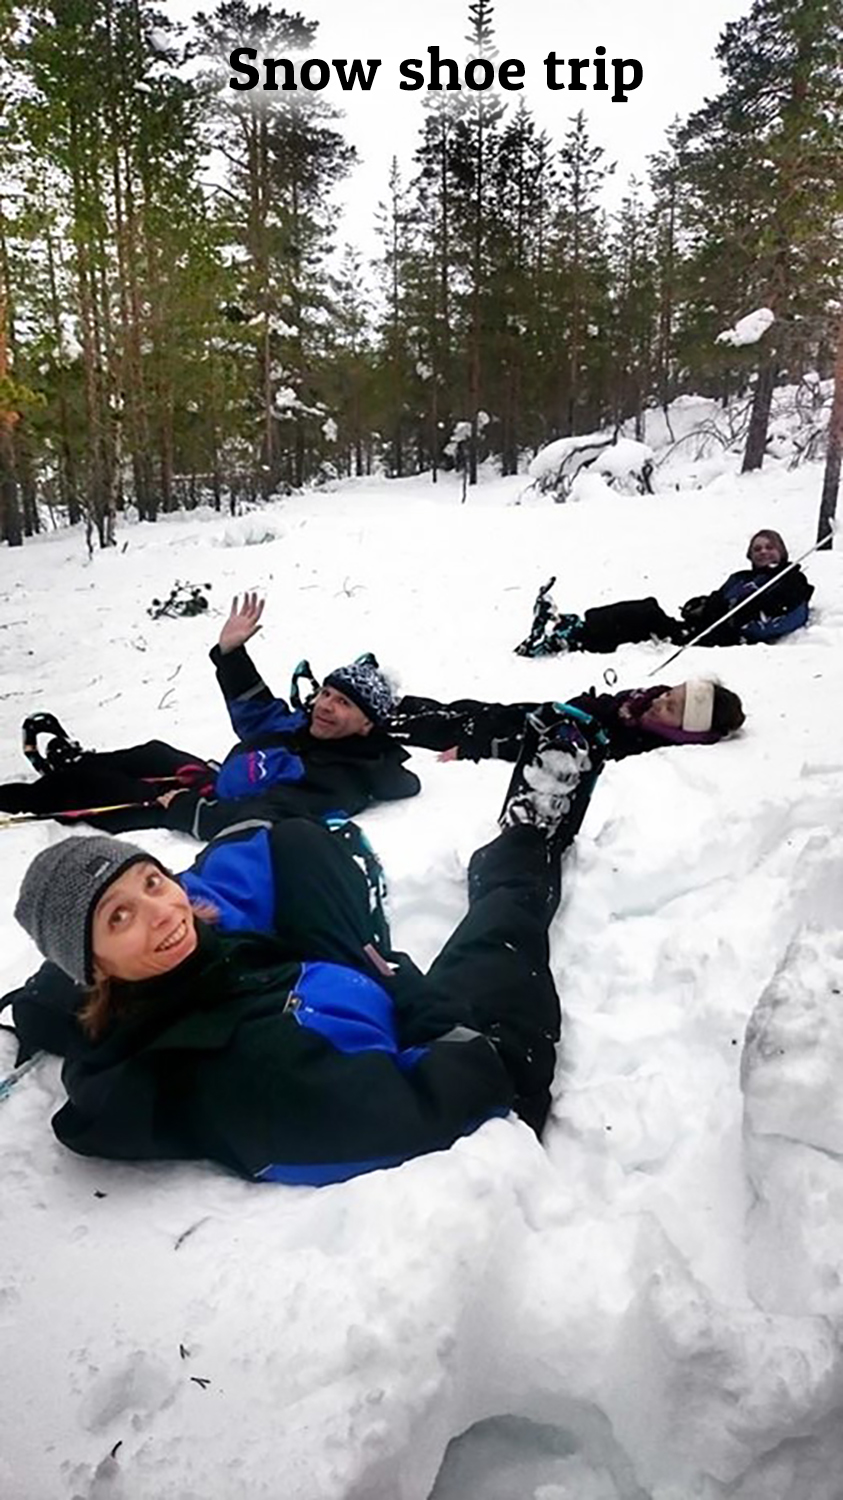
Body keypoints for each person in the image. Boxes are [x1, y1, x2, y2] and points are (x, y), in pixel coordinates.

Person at [11, 704, 609, 1185]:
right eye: (120, 917)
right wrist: (409, 990)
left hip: (308, 986)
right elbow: (443, 1102)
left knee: (286, 842)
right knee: (500, 930)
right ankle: (528, 843)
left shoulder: (148, 970)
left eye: (152, 882)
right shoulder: (249, 1076)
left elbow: (201, 891)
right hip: (464, 1065)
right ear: (93, 966)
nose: (163, 911)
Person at [0, 594, 420, 838]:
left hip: (207, 805)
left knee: (95, 789)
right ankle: (76, 764)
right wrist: (231, 654)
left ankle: (22, 798)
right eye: (326, 693)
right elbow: (259, 714)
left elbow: (266, 818)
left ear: (368, 723)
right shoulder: (307, 728)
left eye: (344, 703)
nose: (325, 705)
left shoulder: (339, 778)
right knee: (153, 752)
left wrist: (187, 809)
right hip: (214, 778)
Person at [515, 530, 813, 657]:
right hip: (700, 627)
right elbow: (717, 600)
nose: (763, 552)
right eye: (757, 548)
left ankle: (571, 639)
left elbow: (787, 614)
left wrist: (742, 618)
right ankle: (575, 624)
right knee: (645, 611)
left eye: (769, 547)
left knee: (645, 617)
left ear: (782, 551)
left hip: (718, 638)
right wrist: (704, 607)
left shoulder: (791, 580)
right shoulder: (741, 578)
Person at [390, 677, 745, 765]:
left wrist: (475, 749)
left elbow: (557, 752)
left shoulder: (635, 743)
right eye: (669, 694)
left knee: (454, 728)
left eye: (671, 707)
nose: (660, 700)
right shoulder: (638, 705)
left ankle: (381, 724)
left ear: (682, 732)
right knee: (471, 708)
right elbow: (600, 703)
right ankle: (395, 704)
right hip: (545, 713)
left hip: (532, 734)